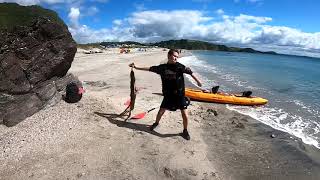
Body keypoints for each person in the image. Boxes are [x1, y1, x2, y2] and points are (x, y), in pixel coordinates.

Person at [129, 49, 202, 140]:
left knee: (184, 114)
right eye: (174, 56)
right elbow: (149, 68)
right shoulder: (162, 68)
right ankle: (156, 123)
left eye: (177, 57)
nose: (175, 58)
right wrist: (136, 67)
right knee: (161, 111)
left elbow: (190, 72)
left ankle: (185, 130)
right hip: (168, 95)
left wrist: (198, 82)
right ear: (169, 56)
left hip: (179, 95)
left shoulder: (180, 66)